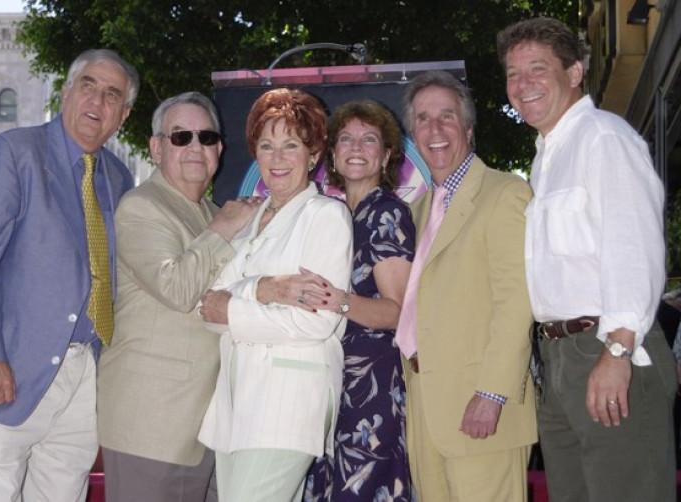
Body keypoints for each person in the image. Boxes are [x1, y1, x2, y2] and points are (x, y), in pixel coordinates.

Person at [0, 49, 138, 501]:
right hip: (4, 375)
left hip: (81, 383)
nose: (97, 100)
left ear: (123, 116)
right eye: (87, 85)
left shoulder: (119, 177)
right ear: (66, 92)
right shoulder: (14, 152)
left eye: (112, 95)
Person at [497, 17, 677, 502]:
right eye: (513, 74)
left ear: (575, 72)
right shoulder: (547, 156)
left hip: (607, 348)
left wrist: (617, 351)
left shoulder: (604, 138)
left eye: (538, 69)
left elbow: (633, 249)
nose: (522, 84)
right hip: (558, 358)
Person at [96, 92, 260, 502]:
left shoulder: (210, 211)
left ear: (219, 149)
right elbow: (177, 289)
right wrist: (224, 229)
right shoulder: (141, 207)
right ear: (156, 147)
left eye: (206, 137)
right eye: (180, 136)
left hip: (205, 427)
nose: (194, 147)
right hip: (152, 426)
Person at [197, 87, 353, 502]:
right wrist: (264, 290)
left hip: (286, 407)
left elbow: (315, 320)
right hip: (235, 407)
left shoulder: (326, 216)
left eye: (291, 145)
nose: (278, 158)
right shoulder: (251, 217)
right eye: (267, 146)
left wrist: (235, 304)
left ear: (314, 153)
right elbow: (207, 307)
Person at [396, 70, 536, 502]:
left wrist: (491, 393)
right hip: (423, 407)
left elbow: (517, 302)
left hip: (480, 406)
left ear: (469, 130)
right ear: (412, 135)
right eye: (422, 119)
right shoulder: (415, 211)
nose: (434, 129)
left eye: (447, 117)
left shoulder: (506, 193)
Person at [301, 100, 415, 501]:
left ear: (386, 156)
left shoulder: (386, 213)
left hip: (370, 385)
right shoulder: (329, 212)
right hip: (327, 379)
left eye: (369, 140)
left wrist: (339, 300)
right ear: (331, 153)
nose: (355, 147)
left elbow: (397, 313)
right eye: (346, 138)